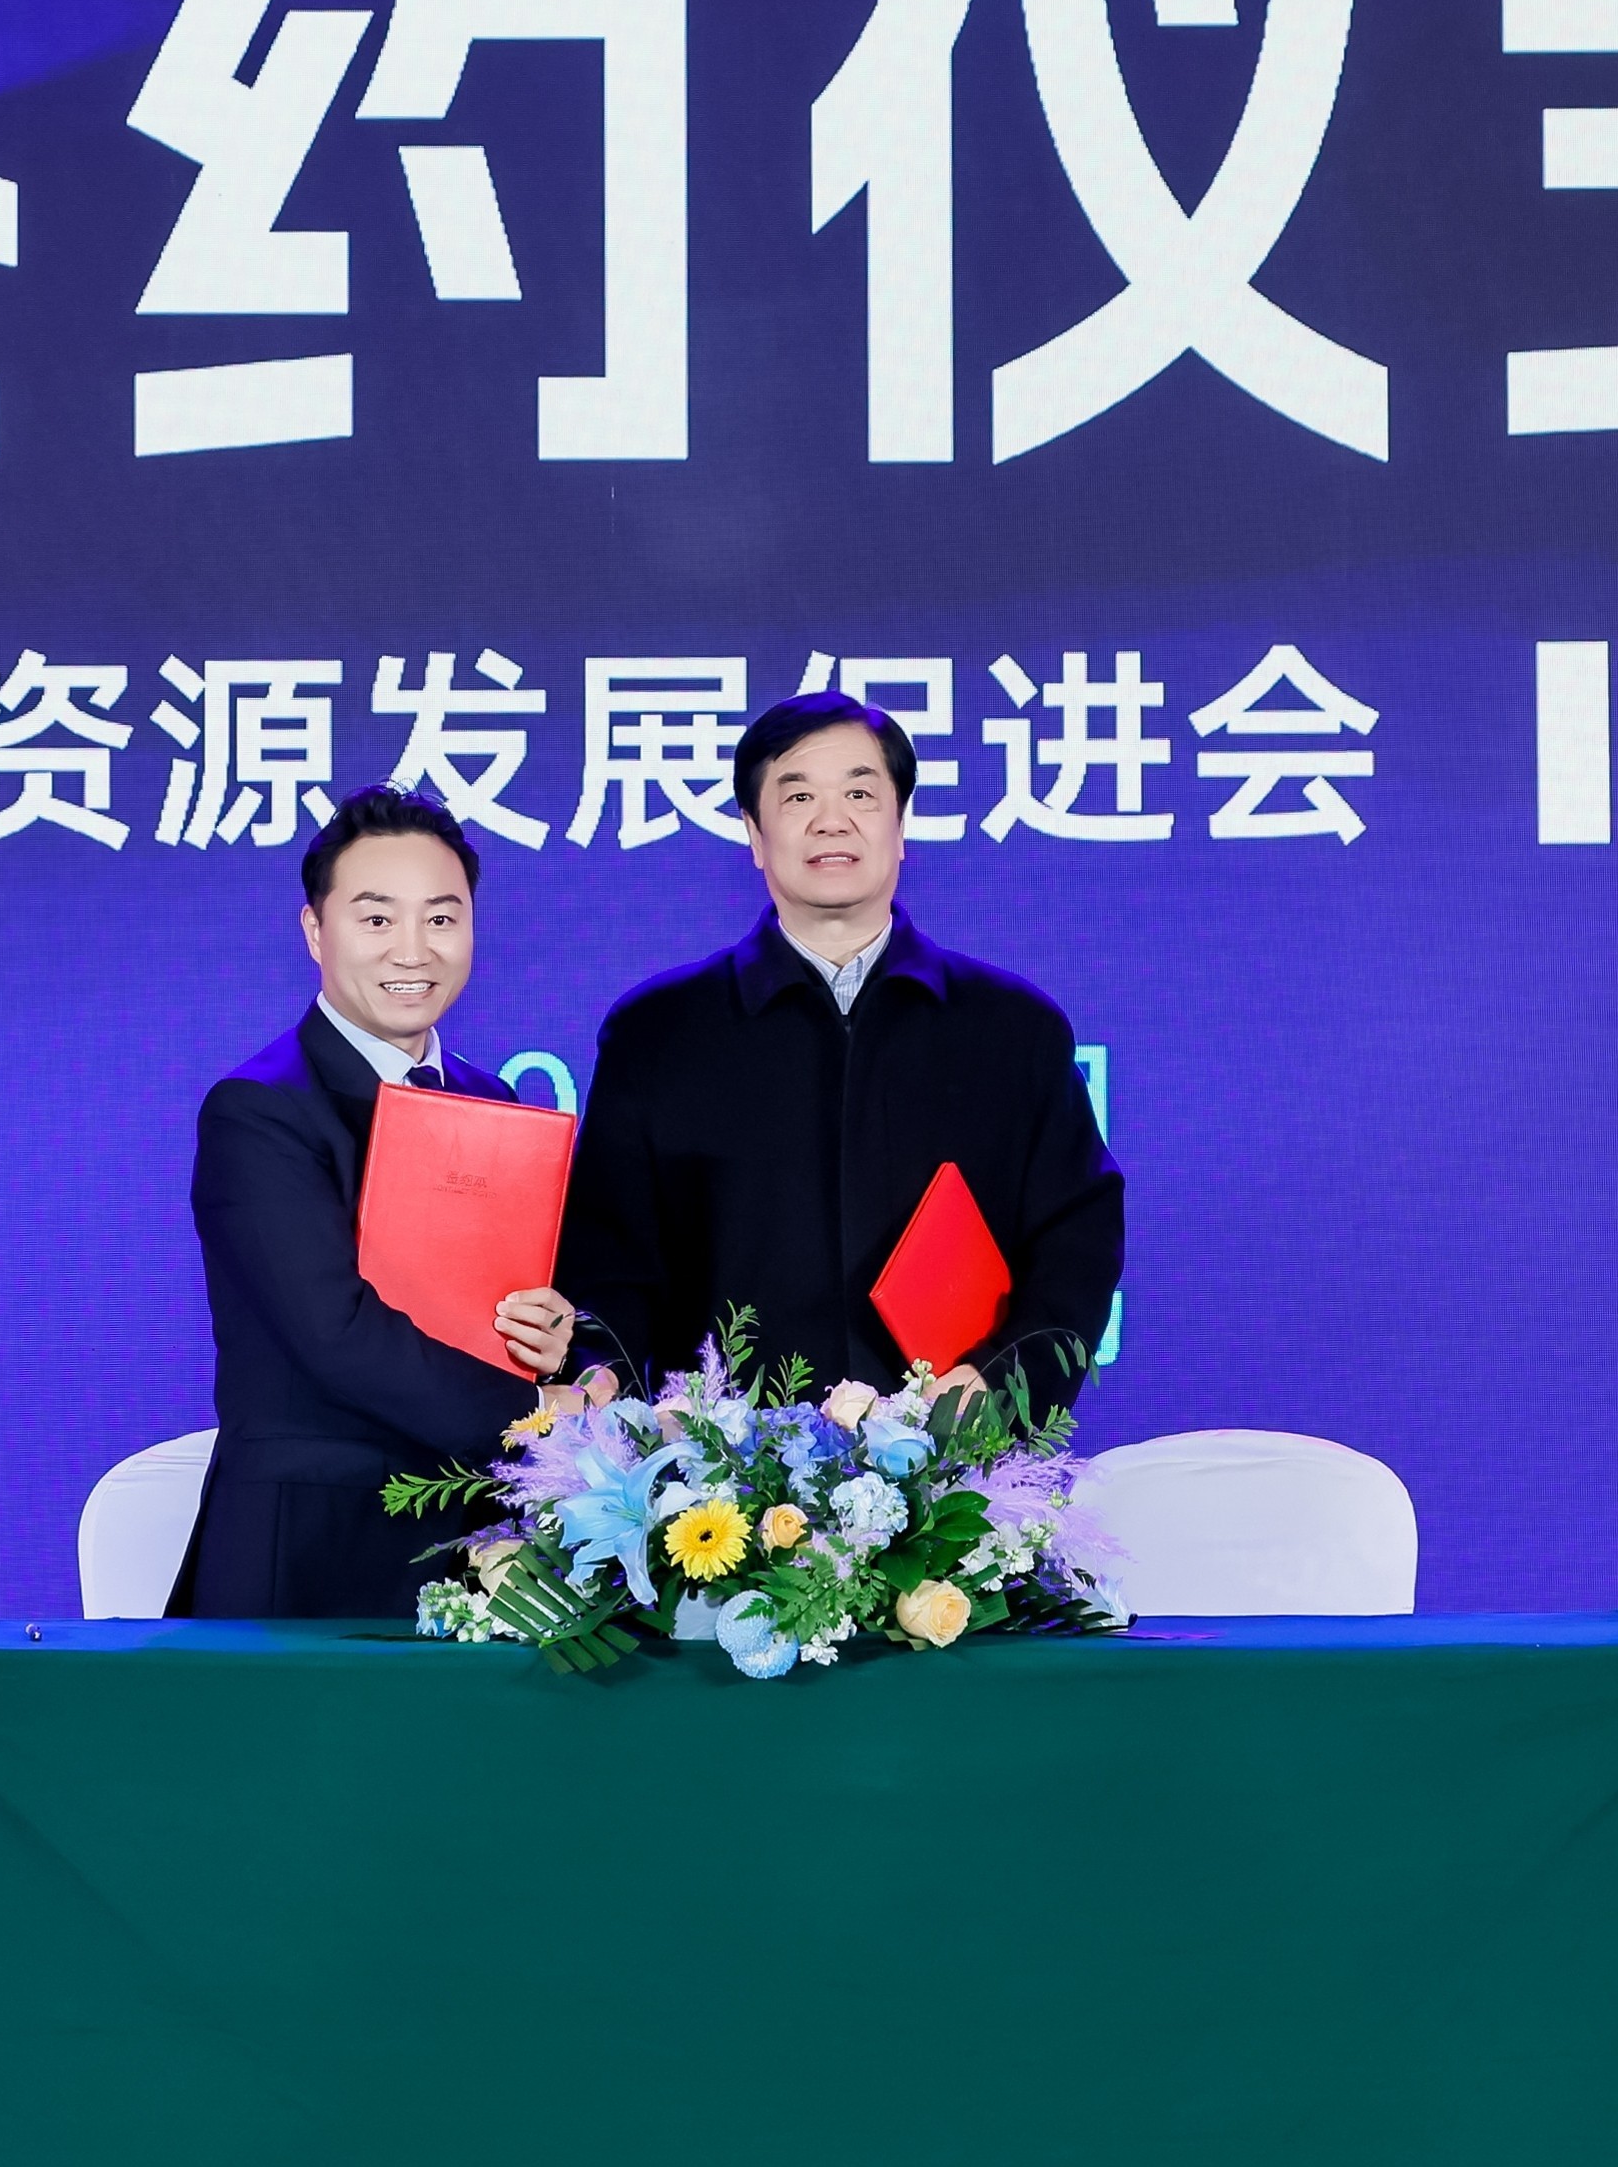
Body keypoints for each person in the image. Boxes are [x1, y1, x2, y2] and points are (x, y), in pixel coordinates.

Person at [558, 692, 1121, 1410]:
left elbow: (1074, 1247)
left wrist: (993, 1389)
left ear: (900, 824)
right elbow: (608, 1266)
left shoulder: (1013, 1029)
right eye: (798, 797)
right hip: (724, 1466)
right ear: (754, 834)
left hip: (956, 1460)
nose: (832, 820)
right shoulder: (657, 1031)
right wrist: (599, 1374)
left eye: (860, 793)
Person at [171, 785, 578, 1619]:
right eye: (377, 918)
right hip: (314, 1549)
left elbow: (506, 1298)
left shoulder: (490, 1099)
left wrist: (551, 1336)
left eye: (441, 917)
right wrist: (536, 1413)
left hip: (479, 1540)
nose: (413, 949)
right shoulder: (260, 1109)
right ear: (315, 930)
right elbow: (335, 1333)